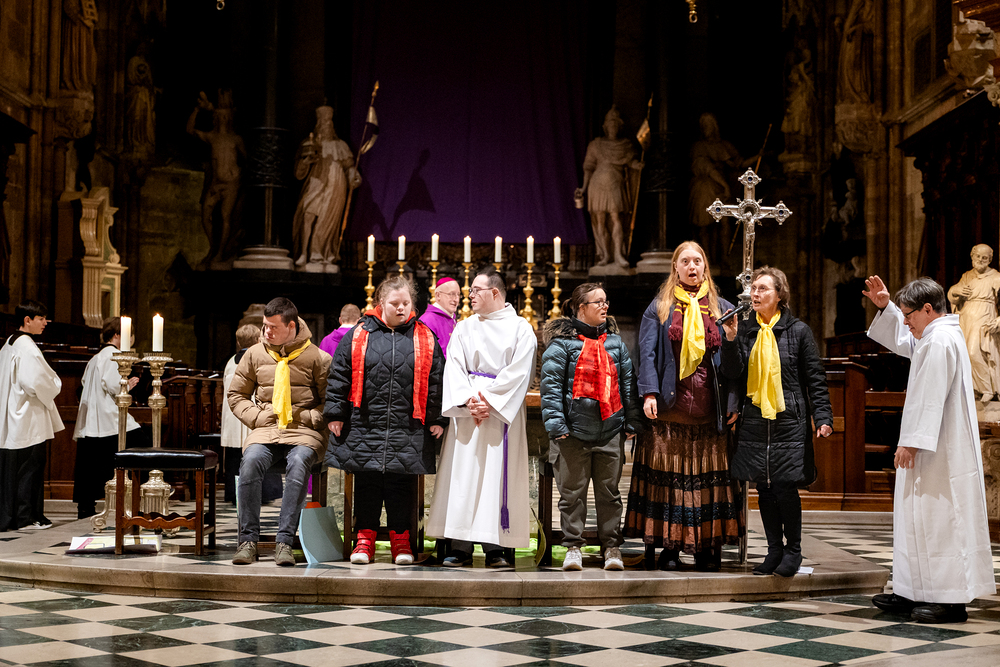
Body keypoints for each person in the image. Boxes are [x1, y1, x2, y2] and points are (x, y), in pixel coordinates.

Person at [863, 275, 996, 623]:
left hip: (939, 451)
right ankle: (913, 590)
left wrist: (911, 442)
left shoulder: (940, 340)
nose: (906, 322)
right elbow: (907, 340)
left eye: (908, 314)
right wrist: (887, 309)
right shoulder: (935, 335)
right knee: (917, 517)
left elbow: (930, 396)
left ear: (927, 308)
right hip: (931, 446)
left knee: (940, 520)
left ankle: (949, 600)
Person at [624, 242, 742, 571]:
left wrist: (733, 400)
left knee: (706, 486)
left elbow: (736, 364)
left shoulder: (723, 308)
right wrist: (648, 394)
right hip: (669, 411)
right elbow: (646, 354)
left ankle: (706, 549)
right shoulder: (660, 308)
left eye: (697, 261)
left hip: (709, 412)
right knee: (669, 484)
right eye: (685, 261)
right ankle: (670, 549)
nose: (692, 267)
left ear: (705, 267)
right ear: (675, 267)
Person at [325, 276, 447, 564]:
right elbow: (339, 374)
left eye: (406, 303)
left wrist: (437, 418)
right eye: (395, 303)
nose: (401, 308)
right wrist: (336, 413)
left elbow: (437, 381)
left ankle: (401, 542)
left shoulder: (425, 337)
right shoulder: (359, 334)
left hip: (408, 426)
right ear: (381, 303)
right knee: (367, 482)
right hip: (365, 423)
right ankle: (364, 540)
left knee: (400, 484)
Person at [723, 266, 833, 577]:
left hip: (788, 420)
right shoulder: (745, 330)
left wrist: (822, 416)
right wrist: (730, 339)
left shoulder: (798, 331)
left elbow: (815, 378)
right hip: (755, 419)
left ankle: (793, 551)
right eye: (753, 289)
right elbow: (733, 373)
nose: (755, 294)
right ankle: (774, 550)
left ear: (779, 295)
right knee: (764, 488)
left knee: (785, 487)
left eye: (762, 289)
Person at [426, 268, 537, 567]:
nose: (470, 295)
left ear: (495, 293)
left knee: (495, 477)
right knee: (463, 475)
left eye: (476, 290)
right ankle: (459, 545)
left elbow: (520, 372)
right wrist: (469, 402)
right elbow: (453, 367)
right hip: (469, 413)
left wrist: (488, 401)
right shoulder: (464, 327)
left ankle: (495, 548)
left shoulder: (521, 328)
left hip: (500, 413)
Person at [540, 283, 641, 571]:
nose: (604, 306)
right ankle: (573, 546)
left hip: (609, 431)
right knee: (572, 495)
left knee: (610, 494)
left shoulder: (616, 344)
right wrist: (557, 425)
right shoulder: (561, 345)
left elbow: (627, 385)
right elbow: (551, 389)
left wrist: (632, 420)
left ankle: (611, 547)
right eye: (598, 302)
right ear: (580, 308)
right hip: (572, 434)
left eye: (606, 301)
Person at [227, 297, 332, 566]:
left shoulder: (318, 357)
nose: (267, 332)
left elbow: (331, 402)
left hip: (304, 432)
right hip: (267, 429)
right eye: (265, 326)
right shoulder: (255, 354)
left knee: (298, 463)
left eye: (273, 327)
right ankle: (247, 541)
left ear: (291, 326)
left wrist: (308, 416)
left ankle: (284, 541)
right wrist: (258, 417)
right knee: (250, 462)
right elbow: (236, 395)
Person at [0, 301, 64, 531]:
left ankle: (14, 515)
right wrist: (56, 383)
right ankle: (25, 516)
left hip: (13, 414)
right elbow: (37, 382)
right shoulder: (27, 346)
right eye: (41, 318)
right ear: (27, 320)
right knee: (30, 467)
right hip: (28, 417)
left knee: (14, 469)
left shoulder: (9, 342)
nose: (45, 323)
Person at [72, 318, 144, 519]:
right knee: (142, 445)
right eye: (130, 335)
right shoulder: (114, 355)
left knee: (91, 466)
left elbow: (84, 382)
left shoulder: (96, 357)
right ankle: (146, 490)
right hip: (108, 419)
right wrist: (127, 385)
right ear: (117, 335)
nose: (131, 339)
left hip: (92, 422)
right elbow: (113, 385)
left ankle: (86, 507)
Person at [292, 105, 361, 268]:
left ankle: (320, 253)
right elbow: (298, 173)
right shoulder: (310, 144)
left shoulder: (341, 145)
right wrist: (305, 162)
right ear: (318, 125)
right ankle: (303, 252)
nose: (328, 125)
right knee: (308, 213)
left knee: (327, 219)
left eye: (330, 123)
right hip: (316, 182)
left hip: (335, 186)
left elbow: (349, 167)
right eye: (324, 123)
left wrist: (354, 176)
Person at [221, 324, 282, 505]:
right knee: (261, 451)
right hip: (253, 412)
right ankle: (265, 492)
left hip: (233, 416)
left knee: (235, 455)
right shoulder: (260, 358)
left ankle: (234, 493)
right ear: (257, 339)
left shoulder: (231, 362)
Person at [575, 106, 643, 269]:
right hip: (597, 184)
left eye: (616, 125)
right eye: (610, 125)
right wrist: (583, 188)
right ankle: (605, 254)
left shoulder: (625, 145)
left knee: (616, 217)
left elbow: (630, 161)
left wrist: (637, 165)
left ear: (619, 127)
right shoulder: (596, 144)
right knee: (600, 220)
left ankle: (618, 254)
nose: (613, 128)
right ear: (605, 127)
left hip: (615, 183)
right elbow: (588, 167)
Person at [946, 244, 1000, 403]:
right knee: (963, 354)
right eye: (978, 256)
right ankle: (974, 389)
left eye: (985, 257)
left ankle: (987, 389)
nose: (981, 260)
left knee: (974, 352)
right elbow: (952, 293)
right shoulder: (967, 276)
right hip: (966, 319)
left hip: (984, 316)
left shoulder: (996, 277)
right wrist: (955, 291)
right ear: (972, 256)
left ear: (990, 259)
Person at [420, 278, 461, 358]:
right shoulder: (427, 320)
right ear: (438, 295)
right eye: (451, 294)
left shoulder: (452, 319)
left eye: (458, 295)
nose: (456, 299)